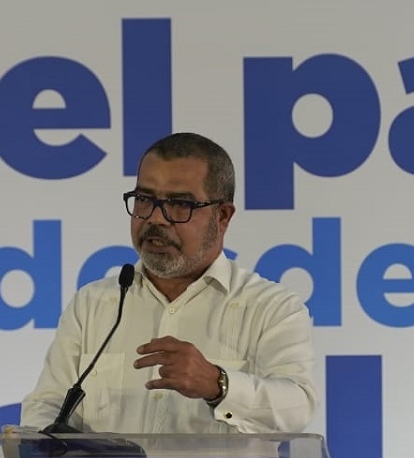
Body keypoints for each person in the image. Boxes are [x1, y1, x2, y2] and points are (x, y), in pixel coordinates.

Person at [21, 132, 318, 434]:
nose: (156, 219)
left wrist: (218, 384)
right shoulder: (92, 304)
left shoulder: (272, 308)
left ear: (222, 216)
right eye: (144, 200)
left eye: (179, 204)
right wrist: (47, 442)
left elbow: (298, 406)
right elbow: (46, 405)